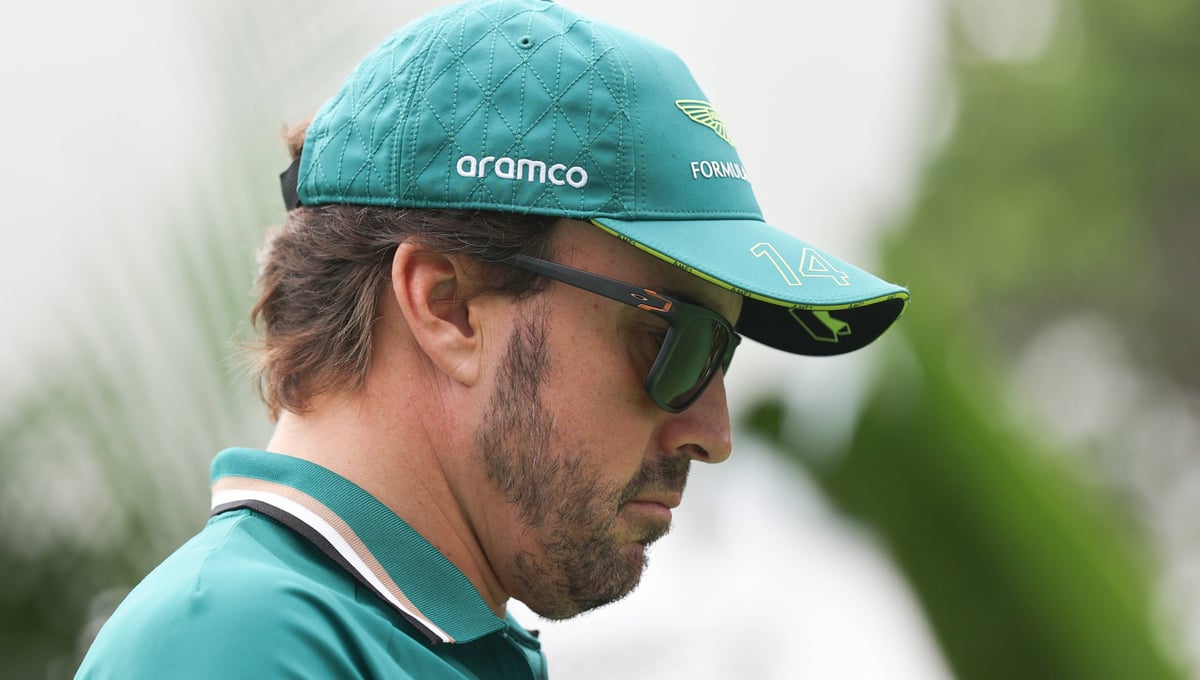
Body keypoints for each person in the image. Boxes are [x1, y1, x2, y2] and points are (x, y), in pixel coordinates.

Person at [77, 0, 908, 677]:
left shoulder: (407, 643)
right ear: (448, 307)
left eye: (722, 355)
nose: (713, 434)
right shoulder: (235, 648)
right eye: (674, 341)